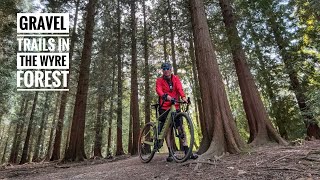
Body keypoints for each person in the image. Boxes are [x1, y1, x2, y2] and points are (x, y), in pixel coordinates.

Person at [156, 62, 198, 162]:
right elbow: (159, 90)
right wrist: (165, 96)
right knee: (167, 130)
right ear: (162, 70)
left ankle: (188, 151)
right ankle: (171, 153)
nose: (166, 70)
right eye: (164, 68)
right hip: (164, 108)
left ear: (171, 69)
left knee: (180, 128)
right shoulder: (159, 80)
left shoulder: (175, 78)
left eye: (168, 68)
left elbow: (179, 89)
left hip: (175, 106)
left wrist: (183, 98)